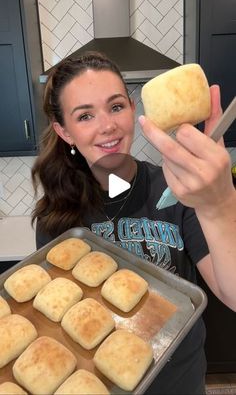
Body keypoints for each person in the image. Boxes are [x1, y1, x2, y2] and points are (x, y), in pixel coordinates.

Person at [31, 51, 236, 395]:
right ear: (64, 132)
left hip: (180, 384)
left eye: (115, 107)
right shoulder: (56, 216)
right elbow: (58, 324)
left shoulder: (176, 190)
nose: (107, 126)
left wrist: (220, 203)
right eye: (85, 116)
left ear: (132, 108)